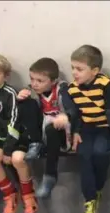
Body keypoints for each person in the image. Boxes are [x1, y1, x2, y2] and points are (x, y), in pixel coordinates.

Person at [67, 45, 110, 213]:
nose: (75, 73)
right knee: (84, 156)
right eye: (73, 68)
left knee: (100, 153)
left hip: (104, 128)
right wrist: (75, 132)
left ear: (95, 70)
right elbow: (74, 114)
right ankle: (90, 200)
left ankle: (97, 188)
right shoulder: (72, 89)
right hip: (86, 130)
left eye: (79, 69)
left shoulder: (104, 83)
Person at [0, 53, 39, 213]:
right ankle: (10, 195)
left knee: (17, 159)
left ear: (6, 76)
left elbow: (14, 123)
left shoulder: (10, 93)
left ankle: (28, 196)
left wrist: (7, 150)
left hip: (18, 138)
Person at [17, 57, 75, 198]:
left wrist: (66, 116)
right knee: (26, 104)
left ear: (53, 81)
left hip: (61, 133)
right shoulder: (33, 91)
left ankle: (50, 177)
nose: (34, 84)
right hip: (41, 135)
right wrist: (19, 99)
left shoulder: (62, 89)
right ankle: (34, 143)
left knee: (51, 129)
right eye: (32, 79)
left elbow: (73, 109)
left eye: (40, 81)